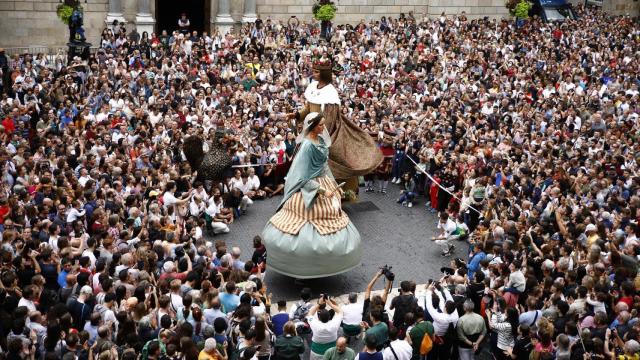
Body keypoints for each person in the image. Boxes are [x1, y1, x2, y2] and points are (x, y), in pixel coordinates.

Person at [261, 113, 362, 278]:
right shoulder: (307, 146)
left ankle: (329, 263)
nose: (324, 128)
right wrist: (322, 190)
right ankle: (302, 267)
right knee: (303, 215)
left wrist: (335, 186)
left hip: (324, 182)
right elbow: (302, 177)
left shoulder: (321, 141)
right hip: (310, 186)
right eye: (320, 125)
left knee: (333, 211)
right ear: (312, 126)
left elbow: (324, 167)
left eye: (323, 124)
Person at [289, 58, 382, 194]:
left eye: (316, 72)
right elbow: (309, 107)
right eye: (313, 71)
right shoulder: (313, 87)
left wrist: (317, 133)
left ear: (324, 74)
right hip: (311, 129)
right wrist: (297, 115)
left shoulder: (330, 92)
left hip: (324, 131)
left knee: (331, 160)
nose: (313, 74)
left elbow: (330, 118)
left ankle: (339, 193)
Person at [308, 296, 344, 360]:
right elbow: (340, 311)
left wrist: (319, 303)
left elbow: (310, 313)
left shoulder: (315, 324)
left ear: (319, 318)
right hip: (331, 352)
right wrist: (330, 303)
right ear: (329, 317)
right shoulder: (334, 324)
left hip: (316, 352)